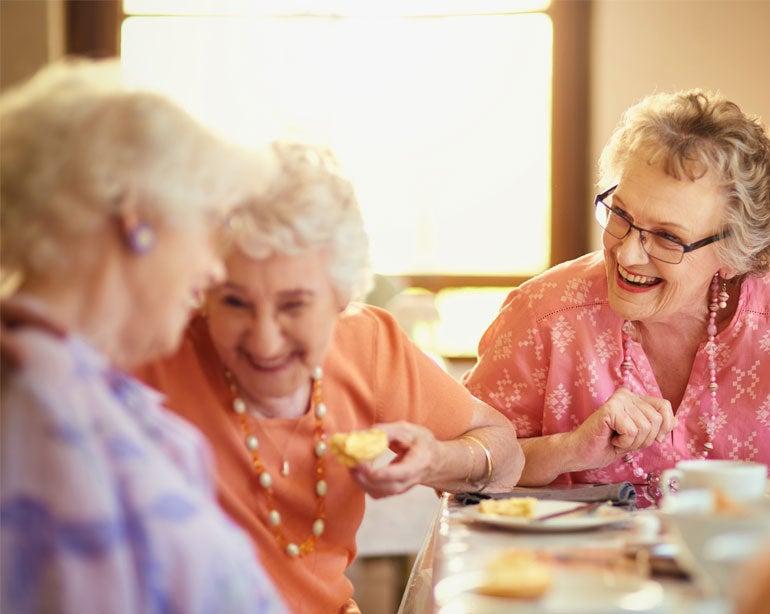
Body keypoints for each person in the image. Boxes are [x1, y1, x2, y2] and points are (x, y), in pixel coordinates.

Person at [135, 141, 525, 613]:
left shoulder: (367, 344)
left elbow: (505, 455)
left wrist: (436, 460)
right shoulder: (151, 357)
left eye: (293, 305)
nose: (264, 341)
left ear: (341, 295)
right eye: (234, 302)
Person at [0, 60, 284, 612]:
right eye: (213, 224)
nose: (216, 269)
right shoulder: (35, 405)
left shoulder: (68, 381)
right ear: (137, 215)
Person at [465, 89, 770, 504]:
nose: (627, 253)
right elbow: (459, 467)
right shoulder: (543, 316)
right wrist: (568, 449)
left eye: (667, 237)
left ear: (735, 253)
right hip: (567, 568)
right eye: (620, 216)